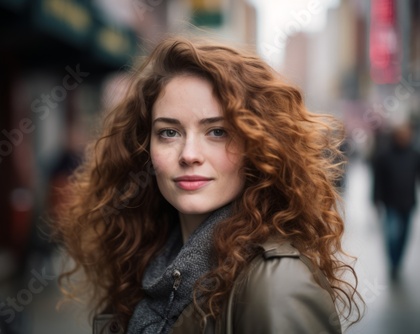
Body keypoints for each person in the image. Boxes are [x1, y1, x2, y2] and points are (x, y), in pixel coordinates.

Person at [55, 36, 362, 333]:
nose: (189, 155)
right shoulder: (148, 257)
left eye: (217, 132)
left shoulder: (277, 284)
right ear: (143, 148)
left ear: (257, 147)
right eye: (169, 133)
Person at [372, 123, 420, 280]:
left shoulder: (414, 154)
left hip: (408, 202)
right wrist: (376, 198)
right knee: (392, 235)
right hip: (390, 202)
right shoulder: (384, 155)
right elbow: (377, 180)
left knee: (405, 235)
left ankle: (398, 262)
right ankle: (393, 263)